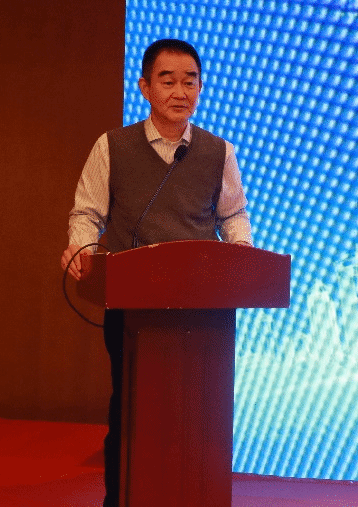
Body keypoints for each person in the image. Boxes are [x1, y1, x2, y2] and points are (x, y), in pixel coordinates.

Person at [60, 39, 252, 507]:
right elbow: (87, 213)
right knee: (132, 412)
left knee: (199, 413)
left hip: (204, 310)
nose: (180, 91)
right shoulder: (112, 146)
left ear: (201, 88)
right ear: (145, 87)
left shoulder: (219, 151)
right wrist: (81, 248)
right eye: (168, 81)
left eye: (190, 81)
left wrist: (243, 255)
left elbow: (232, 214)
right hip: (132, 307)